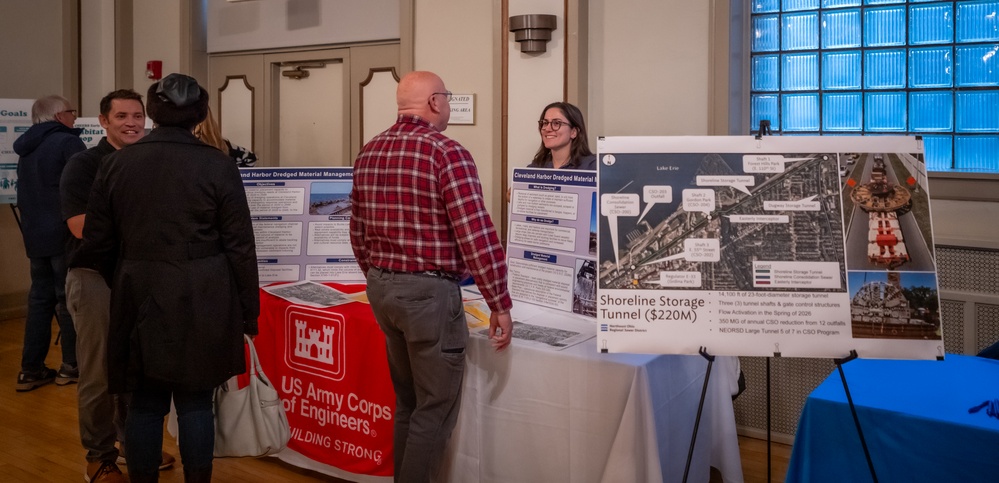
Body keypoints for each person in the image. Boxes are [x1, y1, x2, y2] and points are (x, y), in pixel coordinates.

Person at [80, 73, 259, 483]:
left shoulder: (117, 163)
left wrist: (129, 272)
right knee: (197, 402)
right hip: (204, 291)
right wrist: (248, 312)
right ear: (200, 112)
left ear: (154, 112)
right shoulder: (217, 163)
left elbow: (96, 243)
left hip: (137, 290)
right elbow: (240, 246)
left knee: (144, 402)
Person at [349, 71, 513, 483]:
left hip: (383, 290)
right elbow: (476, 234)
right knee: (434, 410)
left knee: (408, 404)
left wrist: (377, 276)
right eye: (449, 98)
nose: (451, 105)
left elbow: (357, 228)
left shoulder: (370, 150)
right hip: (427, 296)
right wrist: (499, 302)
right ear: (436, 102)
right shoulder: (446, 152)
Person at [61, 89, 175, 483]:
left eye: (138, 116)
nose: (132, 123)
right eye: (122, 116)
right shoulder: (83, 165)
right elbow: (80, 228)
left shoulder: (151, 162)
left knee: (137, 369)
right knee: (99, 375)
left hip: (141, 279)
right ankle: (100, 456)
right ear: (103, 120)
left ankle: (133, 444)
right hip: (95, 279)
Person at [13, 95, 84, 391]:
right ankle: (71, 366)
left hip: (34, 235)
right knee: (67, 300)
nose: (75, 118)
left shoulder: (26, 147)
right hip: (63, 234)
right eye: (72, 112)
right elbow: (83, 188)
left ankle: (30, 369)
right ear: (58, 116)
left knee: (40, 300)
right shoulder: (68, 143)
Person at [528, 101, 596, 170]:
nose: (547, 129)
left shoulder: (593, 167)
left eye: (557, 123)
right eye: (545, 123)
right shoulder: (535, 168)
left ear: (573, 132)